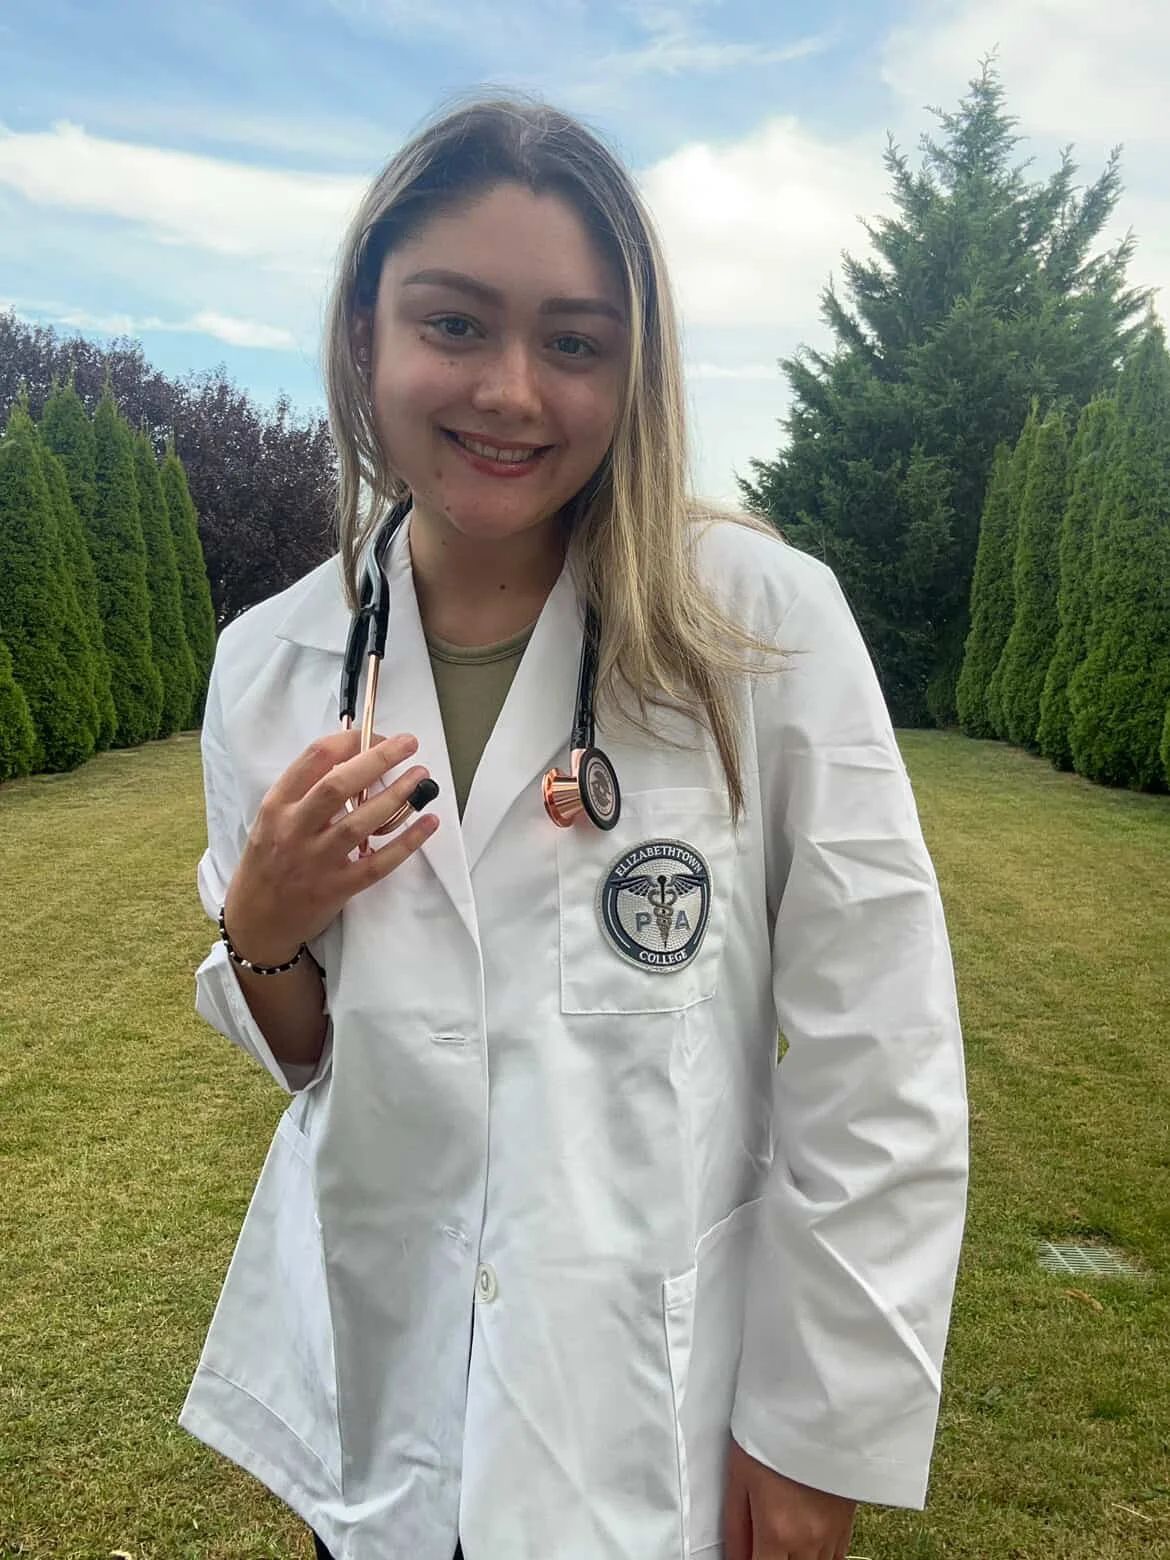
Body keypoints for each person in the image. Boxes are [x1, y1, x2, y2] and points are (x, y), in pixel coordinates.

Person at [180, 95, 968, 1560]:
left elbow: (882, 1048)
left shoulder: (758, 624)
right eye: (455, 323)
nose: (512, 392)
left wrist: (815, 1432)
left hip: (644, 1412)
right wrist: (264, 929)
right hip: (385, 1399)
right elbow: (314, 1062)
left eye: (574, 342)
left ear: (636, 366)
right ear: (366, 331)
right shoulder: (272, 666)